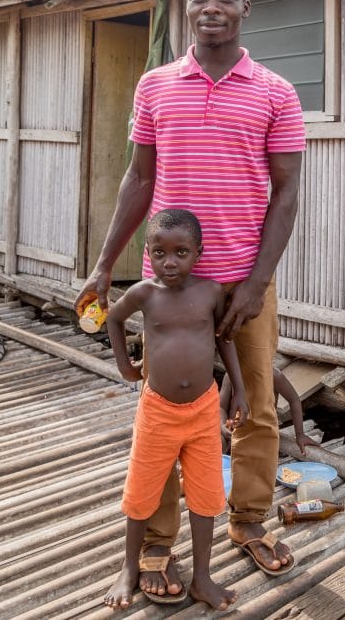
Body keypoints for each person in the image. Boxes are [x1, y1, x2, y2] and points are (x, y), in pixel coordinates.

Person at [75, 0, 305, 598]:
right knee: (166, 410)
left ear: (244, 9)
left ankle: (250, 519)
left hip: (243, 282)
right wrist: (103, 266)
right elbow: (138, 179)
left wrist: (257, 283)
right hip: (170, 290)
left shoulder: (276, 92)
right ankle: (156, 544)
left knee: (255, 405)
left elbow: (286, 194)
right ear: (186, 7)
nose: (211, 7)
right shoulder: (154, 86)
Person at [103, 209, 248, 611]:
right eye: (160, 253)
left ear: (197, 253)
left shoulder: (211, 292)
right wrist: (125, 367)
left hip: (203, 411)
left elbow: (225, 341)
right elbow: (114, 320)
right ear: (148, 254)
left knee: (206, 495)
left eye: (181, 252)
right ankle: (129, 568)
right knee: (141, 492)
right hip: (158, 411)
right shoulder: (144, 294)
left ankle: (203, 576)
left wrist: (239, 389)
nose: (170, 262)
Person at [219, 367, 321, 456]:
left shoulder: (274, 375)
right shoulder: (230, 375)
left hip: (263, 432)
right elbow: (221, 407)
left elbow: (294, 400)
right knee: (218, 443)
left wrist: (300, 435)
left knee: (258, 453)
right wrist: (223, 426)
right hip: (235, 432)